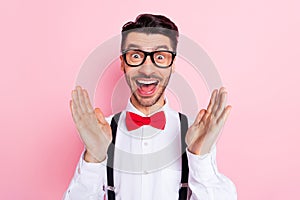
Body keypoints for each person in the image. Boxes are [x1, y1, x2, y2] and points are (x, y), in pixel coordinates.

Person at [63, 14, 237, 200]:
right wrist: (94, 158)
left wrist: (200, 158)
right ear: (123, 63)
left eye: (160, 56)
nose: (147, 69)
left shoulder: (196, 133)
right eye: (136, 55)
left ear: (173, 64)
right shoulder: (101, 132)